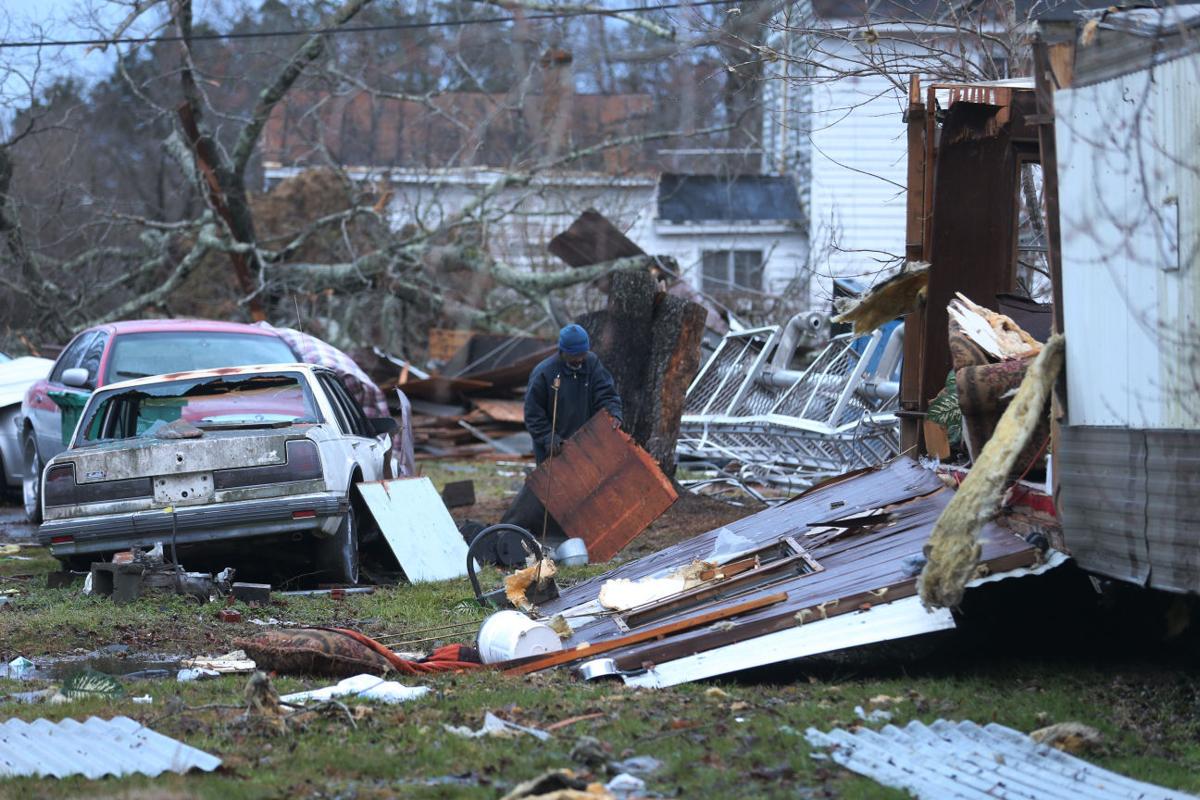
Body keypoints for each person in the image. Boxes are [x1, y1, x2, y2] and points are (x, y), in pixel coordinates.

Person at [524, 324, 623, 464]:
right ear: (563, 351)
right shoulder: (544, 373)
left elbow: (606, 393)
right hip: (555, 449)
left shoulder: (592, 363)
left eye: (583, 354)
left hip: (587, 444)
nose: (579, 359)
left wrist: (613, 412)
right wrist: (548, 437)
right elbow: (532, 412)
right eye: (574, 355)